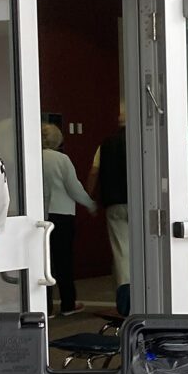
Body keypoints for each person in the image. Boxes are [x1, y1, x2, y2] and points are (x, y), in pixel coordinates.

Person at [41, 122, 96, 316]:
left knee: (43, 262)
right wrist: (90, 204)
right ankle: (67, 303)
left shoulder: (31, 156)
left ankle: (44, 307)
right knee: (64, 260)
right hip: (62, 214)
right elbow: (74, 187)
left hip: (40, 216)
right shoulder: (62, 159)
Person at [87, 105, 129, 315]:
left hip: (114, 204)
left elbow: (94, 173)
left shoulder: (105, 145)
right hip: (140, 203)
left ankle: (125, 302)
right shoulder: (143, 141)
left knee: (121, 253)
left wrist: (89, 198)